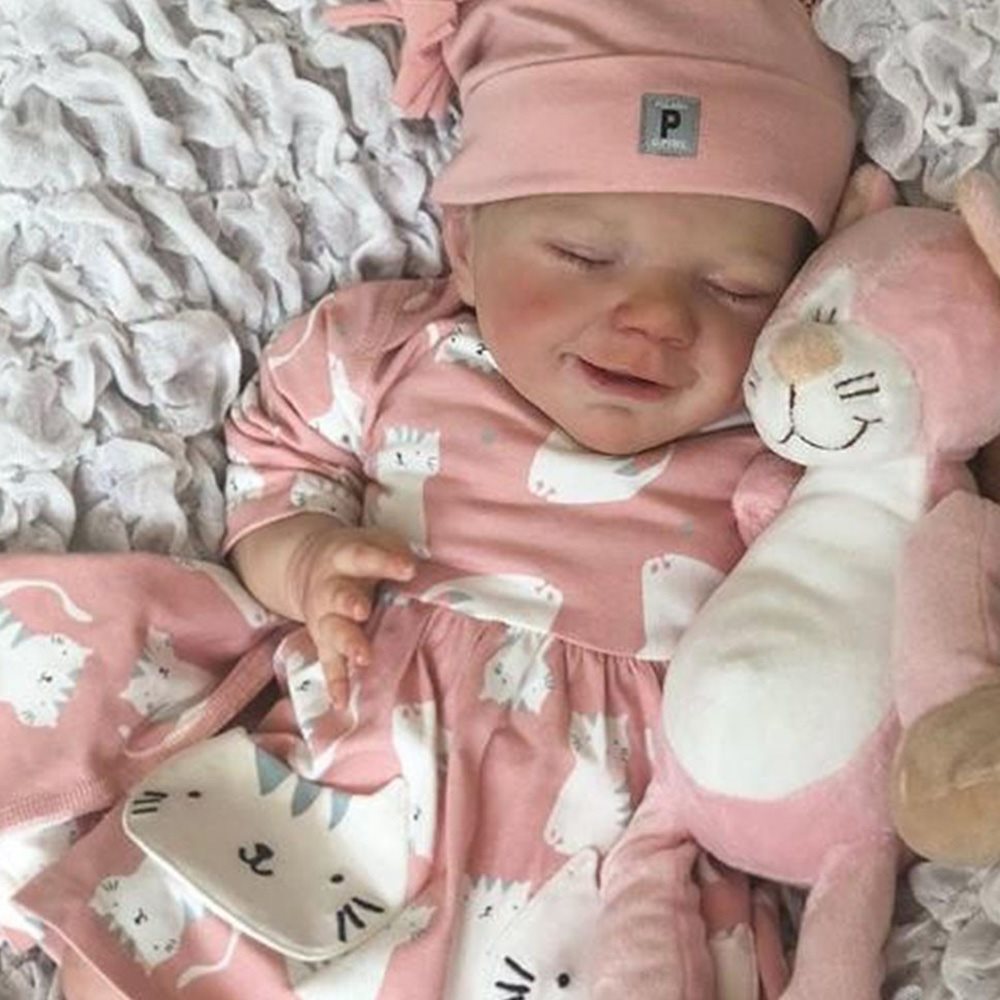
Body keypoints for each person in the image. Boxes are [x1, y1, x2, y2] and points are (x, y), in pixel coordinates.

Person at [0, 1, 858, 998]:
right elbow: (274, 470)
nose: (658, 317)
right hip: (355, 784)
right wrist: (308, 557)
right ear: (466, 243)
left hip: (614, 857)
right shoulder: (397, 354)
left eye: (738, 288)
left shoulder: (783, 442)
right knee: (189, 942)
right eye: (584, 256)